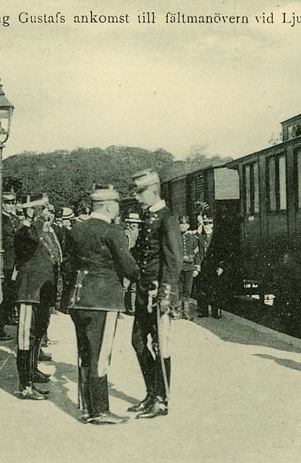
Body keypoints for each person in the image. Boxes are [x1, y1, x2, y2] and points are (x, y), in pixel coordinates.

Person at [66, 185, 140, 424]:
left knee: (85, 353)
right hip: (103, 300)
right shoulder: (113, 231)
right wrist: (140, 274)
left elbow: (68, 264)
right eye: (117, 205)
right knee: (100, 356)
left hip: (79, 299)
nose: (118, 209)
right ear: (108, 207)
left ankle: (87, 407)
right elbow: (129, 266)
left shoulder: (76, 229)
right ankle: (100, 411)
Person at [128, 169, 182, 419]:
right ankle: (152, 393)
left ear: (152, 191)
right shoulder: (149, 216)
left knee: (161, 345)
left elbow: (174, 260)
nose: (137, 197)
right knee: (138, 341)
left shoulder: (167, 218)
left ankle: (162, 400)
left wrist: (165, 295)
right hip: (144, 291)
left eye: (140, 193)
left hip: (158, 294)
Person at [13, 195, 62, 400]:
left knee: (38, 335)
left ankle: (32, 372)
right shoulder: (23, 230)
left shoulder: (43, 230)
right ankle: (25, 385)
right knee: (26, 339)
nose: (47, 213)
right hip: (29, 292)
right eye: (43, 209)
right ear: (31, 210)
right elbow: (31, 239)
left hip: (42, 293)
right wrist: (38, 218)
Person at [0, 193, 20, 341]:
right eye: (8, 203)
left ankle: (6, 319)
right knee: (2, 295)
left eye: (13, 202)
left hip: (15, 262)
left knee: (11, 295)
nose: (11, 205)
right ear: (2, 204)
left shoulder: (15, 219)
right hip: (4, 262)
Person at [176, 215, 200, 320]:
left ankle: (185, 312)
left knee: (187, 291)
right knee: (178, 290)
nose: (183, 226)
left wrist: (197, 268)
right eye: (181, 224)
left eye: (185, 224)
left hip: (189, 268)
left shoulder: (192, 238)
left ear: (188, 225)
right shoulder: (176, 238)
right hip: (179, 268)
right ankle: (177, 312)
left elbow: (197, 254)